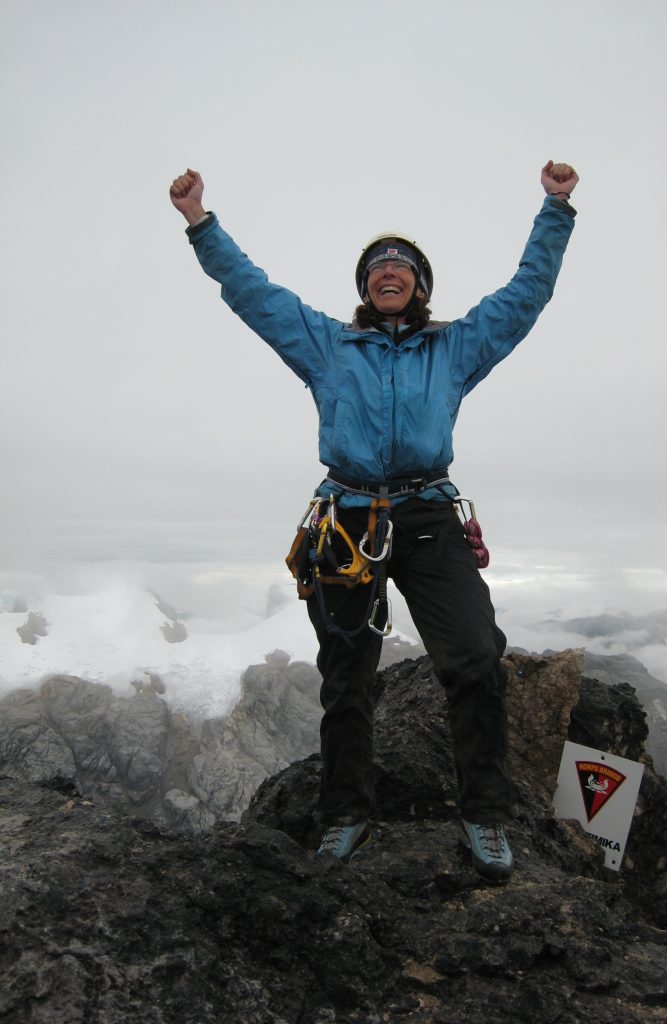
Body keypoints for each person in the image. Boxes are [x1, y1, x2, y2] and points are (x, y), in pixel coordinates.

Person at [169, 160, 578, 883]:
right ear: (365, 288)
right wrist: (201, 224)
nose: (390, 273)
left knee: (477, 658)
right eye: (378, 268)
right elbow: (254, 294)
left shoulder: (453, 348)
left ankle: (485, 813)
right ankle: (345, 814)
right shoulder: (330, 346)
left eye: (404, 267)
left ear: (420, 287)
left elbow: (525, 297)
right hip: (348, 516)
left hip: (426, 513)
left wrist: (555, 210)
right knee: (347, 674)